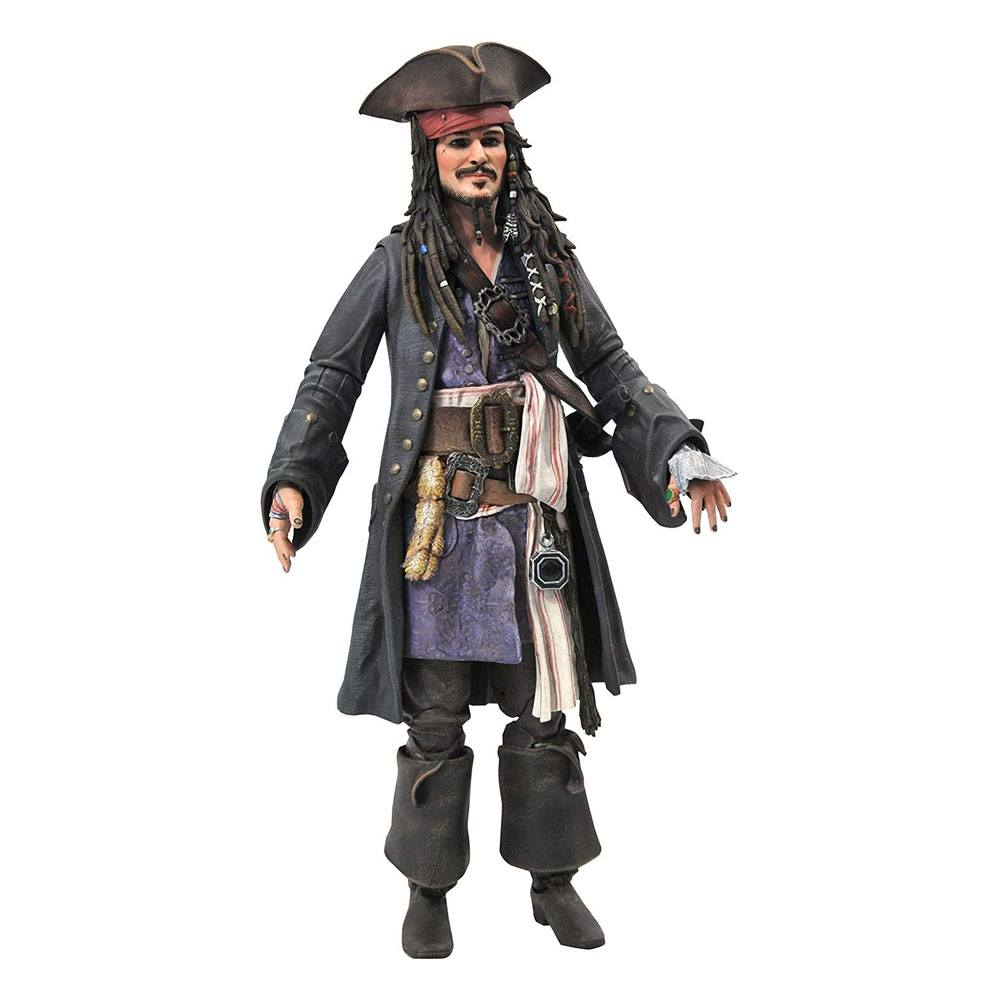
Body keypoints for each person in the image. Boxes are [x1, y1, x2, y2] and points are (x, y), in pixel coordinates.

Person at [261, 42, 734, 958]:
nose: (479, 156)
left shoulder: (545, 263)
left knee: (544, 709)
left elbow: (610, 366)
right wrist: (293, 478)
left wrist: (679, 451)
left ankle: (552, 881)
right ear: (429, 154)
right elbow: (331, 377)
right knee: (434, 720)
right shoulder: (396, 265)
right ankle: (427, 886)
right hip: (437, 532)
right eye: (460, 142)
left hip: (530, 522)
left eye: (492, 140)